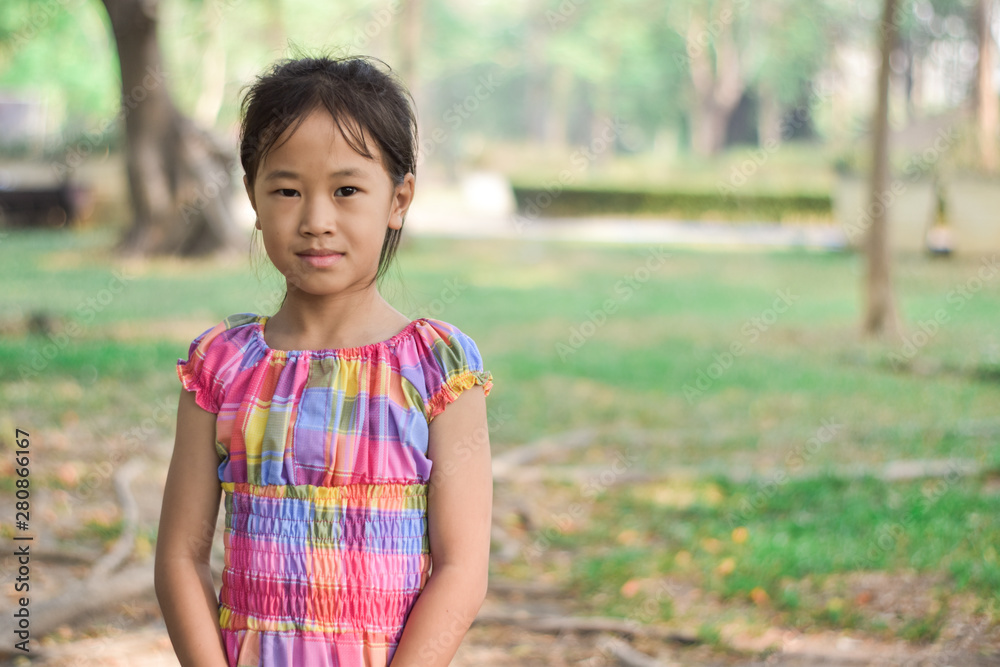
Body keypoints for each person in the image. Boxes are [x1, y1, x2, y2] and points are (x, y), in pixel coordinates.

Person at [154, 54, 494, 667]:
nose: (316, 221)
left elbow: (462, 569)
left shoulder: (437, 368)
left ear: (398, 200)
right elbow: (180, 556)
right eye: (286, 190)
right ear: (254, 199)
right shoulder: (221, 368)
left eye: (346, 190)